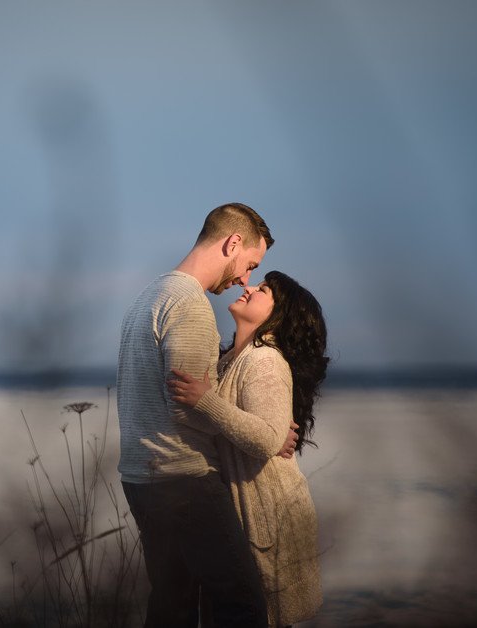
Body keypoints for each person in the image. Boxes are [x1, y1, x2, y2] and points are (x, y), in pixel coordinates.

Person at [117, 202, 297, 627]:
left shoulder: (149, 296)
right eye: (250, 263)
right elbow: (189, 408)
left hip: (140, 476)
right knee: (244, 607)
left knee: (172, 607)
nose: (245, 279)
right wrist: (265, 435)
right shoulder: (191, 306)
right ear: (233, 243)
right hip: (185, 480)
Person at [167, 270, 328, 627]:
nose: (249, 286)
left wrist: (205, 400)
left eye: (264, 289)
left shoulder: (264, 361)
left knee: (258, 617)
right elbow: (256, 431)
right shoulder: (231, 360)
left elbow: (266, 438)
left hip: (267, 514)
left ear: (278, 316)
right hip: (248, 509)